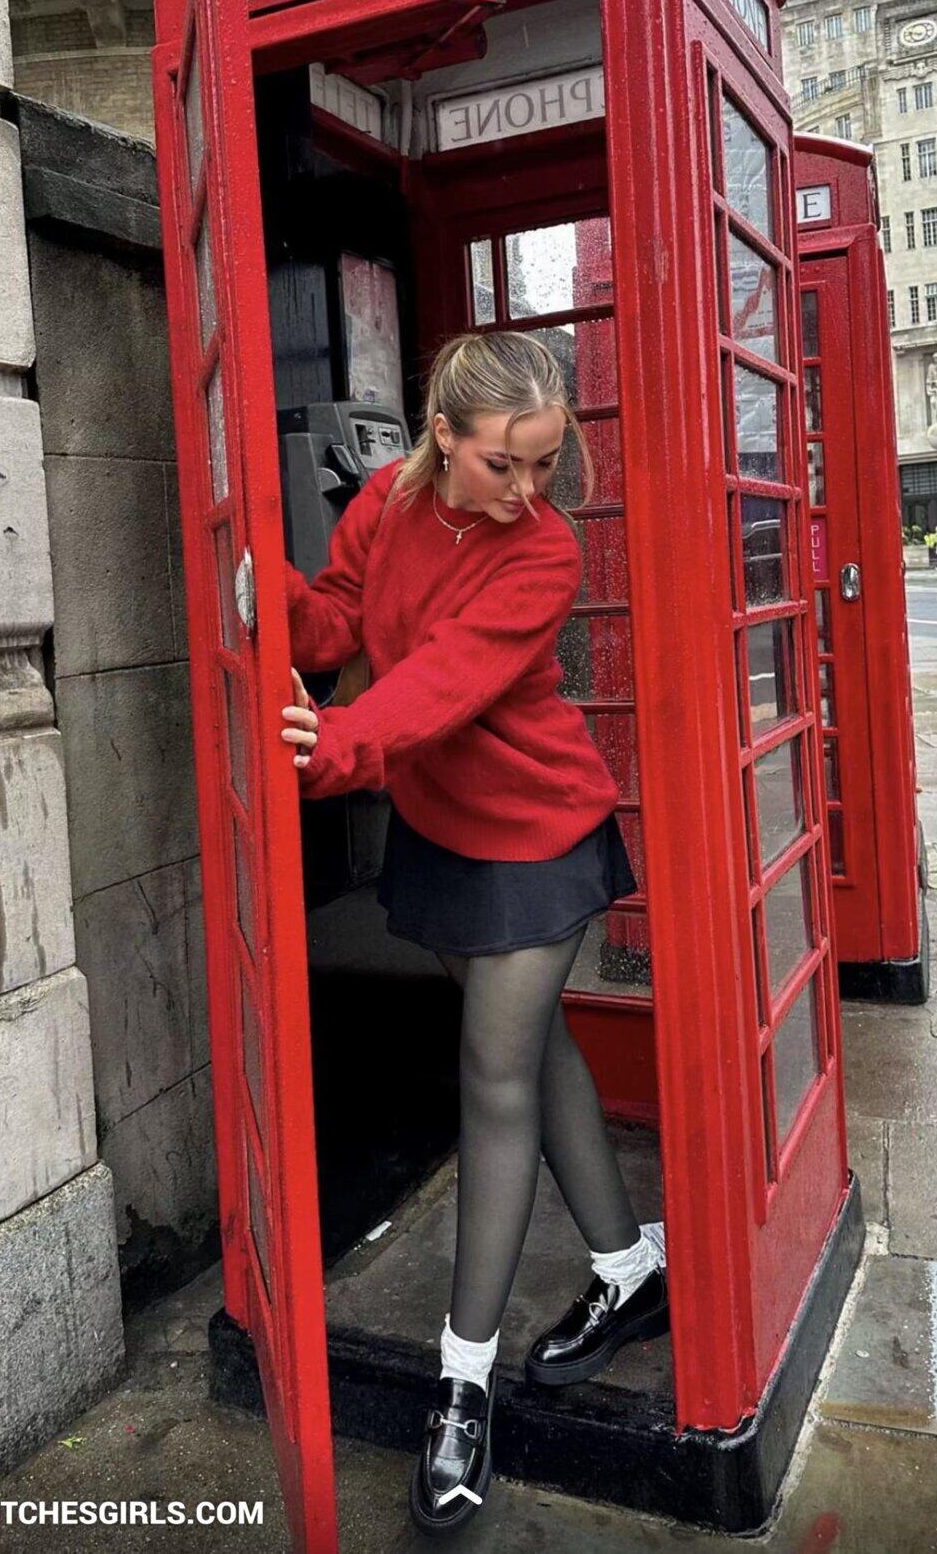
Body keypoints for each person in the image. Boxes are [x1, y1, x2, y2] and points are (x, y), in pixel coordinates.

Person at [281, 332, 667, 1535]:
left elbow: (444, 677)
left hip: (535, 830)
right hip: (444, 828)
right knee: (536, 1049)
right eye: (507, 462)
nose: (528, 489)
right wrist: (254, 584)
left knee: (493, 1077)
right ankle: (629, 1269)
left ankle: (462, 1381)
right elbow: (336, 620)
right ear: (443, 435)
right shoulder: (390, 507)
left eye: (546, 463)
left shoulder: (542, 551)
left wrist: (342, 744)